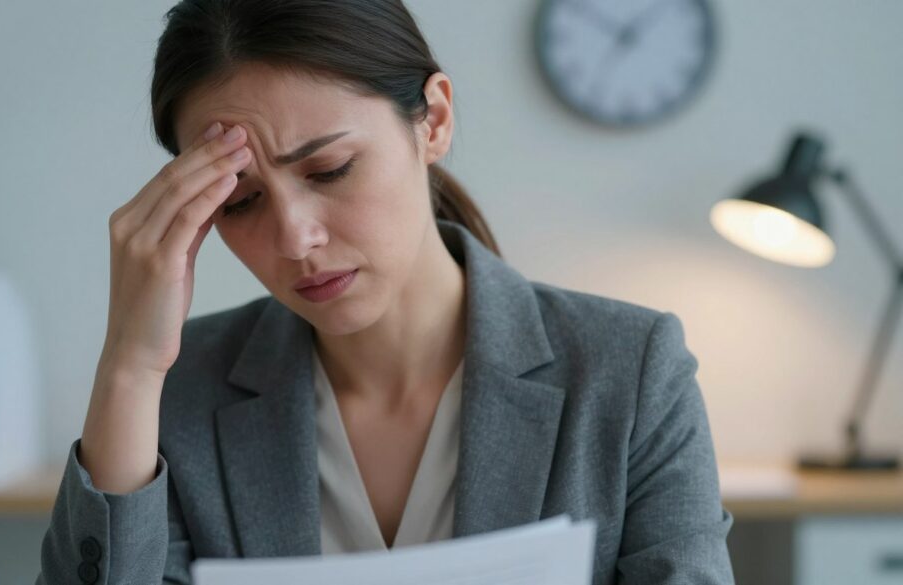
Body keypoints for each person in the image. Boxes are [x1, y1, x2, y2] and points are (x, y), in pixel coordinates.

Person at [36, 1, 735, 584]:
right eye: (241, 202)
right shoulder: (179, 395)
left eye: (331, 169)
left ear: (432, 120)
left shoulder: (630, 371)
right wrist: (130, 366)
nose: (295, 238)